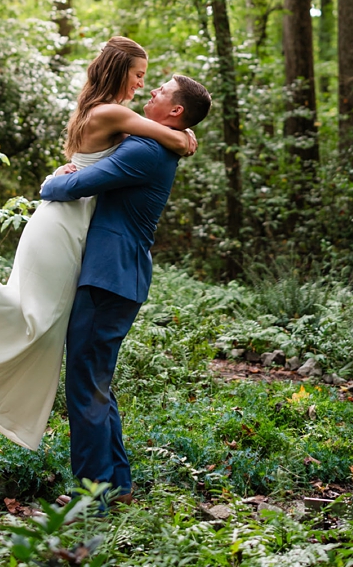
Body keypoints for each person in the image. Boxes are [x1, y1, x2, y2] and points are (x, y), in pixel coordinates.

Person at [0, 37, 200, 457]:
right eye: (139, 75)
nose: (144, 86)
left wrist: (180, 133)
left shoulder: (105, 112)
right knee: (37, 323)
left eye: (150, 82)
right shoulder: (117, 114)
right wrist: (184, 138)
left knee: (39, 321)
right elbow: (165, 137)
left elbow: (143, 142)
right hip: (63, 221)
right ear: (119, 71)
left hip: (68, 223)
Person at [35, 71, 211, 503]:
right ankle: (116, 487)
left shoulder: (146, 149)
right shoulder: (154, 143)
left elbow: (77, 185)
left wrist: (48, 183)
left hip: (108, 276)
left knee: (85, 383)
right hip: (117, 275)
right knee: (95, 381)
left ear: (175, 111)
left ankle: (92, 497)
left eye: (162, 90)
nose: (153, 90)